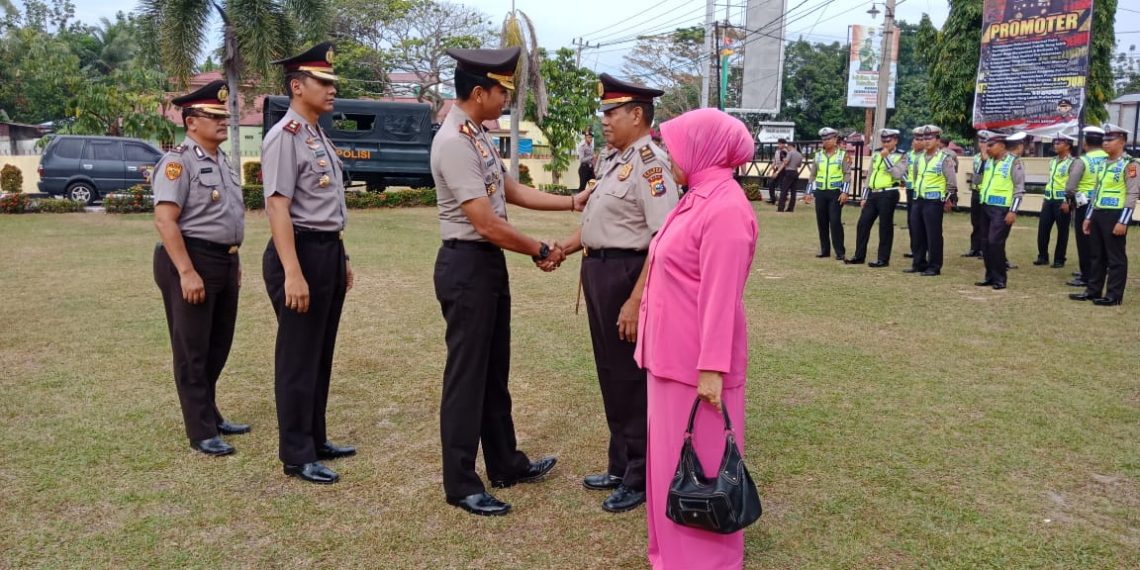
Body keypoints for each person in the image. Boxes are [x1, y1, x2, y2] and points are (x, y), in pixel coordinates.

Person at [432, 47, 582, 516]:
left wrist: (572, 202)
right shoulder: (455, 141)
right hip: (467, 264)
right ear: (479, 92)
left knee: (494, 373)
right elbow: (486, 222)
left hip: (486, 266)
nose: (505, 102)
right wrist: (541, 248)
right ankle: (460, 482)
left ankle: (505, 463)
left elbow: (509, 190)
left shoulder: (475, 135)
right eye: (502, 93)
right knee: (467, 377)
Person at [636, 108, 758, 570]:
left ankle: (706, 562)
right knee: (671, 462)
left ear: (701, 148)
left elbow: (720, 297)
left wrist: (712, 369)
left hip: (698, 368)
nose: (667, 155)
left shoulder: (725, 207)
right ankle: (670, 555)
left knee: (705, 466)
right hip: (670, 359)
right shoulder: (696, 197)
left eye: (674, 145)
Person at [553, 73, 679, 514]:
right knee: (611, 373)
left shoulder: (650, 164)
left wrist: (636, 298)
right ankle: (620, 462)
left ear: (637, 114)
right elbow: (597, 224)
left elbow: (663, 239)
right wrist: (563, 249)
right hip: (599, 270)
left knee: (630, 378)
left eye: (612, 112)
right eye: (604, 111)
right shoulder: (613, 159)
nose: (604, 120)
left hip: (628, 275)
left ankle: (641, 474)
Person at [261, 43, 355, 484]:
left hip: (326, 252)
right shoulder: (286, 136)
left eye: (333, 83)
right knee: (298, 357)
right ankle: (296, 453)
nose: (332, 89)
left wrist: (342, 256)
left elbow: (326, 204)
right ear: (298, 87)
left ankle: (315, 438)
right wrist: (293, 272)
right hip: (298, 253)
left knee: (319, 353)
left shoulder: (317, 134)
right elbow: (278, 207)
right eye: (324, 82)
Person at [152, 80, 249, 457]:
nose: (224, 122)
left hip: (223, 260)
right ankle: (200, 430)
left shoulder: (222, 161)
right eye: (215, 116)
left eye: (225, 115)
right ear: (191, 122)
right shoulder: (178, 162)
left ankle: (210, 411)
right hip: (190, 259)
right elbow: (165, 221)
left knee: (218, 343)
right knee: (192, 348)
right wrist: (187, 272)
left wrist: (232, 260)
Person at [1070, 124, 1138, 306]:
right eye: (1104, 140)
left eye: (1111, 140)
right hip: (1098, 212)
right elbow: (1096, 191)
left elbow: (1132, 194)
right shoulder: (1102, 164)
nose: (1106, 143)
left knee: (1115, 257)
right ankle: (1093, 290)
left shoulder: (1130, 164)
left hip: (1116, 214)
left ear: (1122, 141)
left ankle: (1113, 296)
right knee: (1096, 255)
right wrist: (1088, 217)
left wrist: (1123, 221)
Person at [845, 128, 906, 267]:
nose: (885, 143)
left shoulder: (901, 155)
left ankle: (883, 259)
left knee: (885, 226)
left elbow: (898, 174)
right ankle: (859, 255)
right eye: (883, 140)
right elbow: (870, 175)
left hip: (888, 193)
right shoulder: (877, 153)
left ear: (895, 140)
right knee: (863, 224)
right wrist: (864, 195)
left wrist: (887, 158)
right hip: (873, 193)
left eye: (888, 140)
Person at [974, 132, 1026, 290]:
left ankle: (1000, 278)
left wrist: (1013, 210)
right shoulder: (988, 161)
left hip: (1002, 209)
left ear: (1002, 146)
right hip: (985, 206)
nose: (987, 148)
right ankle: (989, 276)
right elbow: (977, 181)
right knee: (984, 243)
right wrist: (983, 161)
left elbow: (1019, 188)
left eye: (991, 145)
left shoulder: (1013, 162)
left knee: (995, 242)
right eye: (986, 145)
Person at [905, 124, 957, 276]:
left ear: (938, 140)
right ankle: (918, 263)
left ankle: (934, 266)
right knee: (917, 232)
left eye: (930, 138)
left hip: (934, 202)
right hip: (919, 199)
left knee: (933, 234)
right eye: (924, 138)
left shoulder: (944, 159)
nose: (926, 141)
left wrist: (947, 200)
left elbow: (951, 182)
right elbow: (914, 177)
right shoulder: (919, 158)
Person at [1064, 126, 1109, 288]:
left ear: (1085, 143)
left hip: (1084, 204)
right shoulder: (1109, 158)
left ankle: (1086, 276)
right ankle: (1098, 272)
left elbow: (1070, 187)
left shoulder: (1083, 160)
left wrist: (1070, 198)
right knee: (1099, 241)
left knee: (1084, 241)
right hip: (1103, 203)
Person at [805, 127, 849, 259]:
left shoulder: (843, 155)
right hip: (821, 193)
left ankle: (840, 252)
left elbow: (847, 174)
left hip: (835, 193)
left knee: (835, 222)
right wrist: (808, 192)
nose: (825, 141)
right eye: (823, 139)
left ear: (835, 140)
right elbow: (813, 175)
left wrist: (845, 192)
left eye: (828, 139)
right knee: (822, 222)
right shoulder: (818, 155)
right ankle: (825, 250)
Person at [1035, 135, 1075, 268]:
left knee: (1062, 231)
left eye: (1059, 143)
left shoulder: (1072, 162)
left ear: (1068, 145)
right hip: (1049, 199)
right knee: (1043, 229)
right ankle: (1042, 256)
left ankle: (1059, 259)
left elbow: (1072, 183)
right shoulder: (1052, 161)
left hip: (1062, 200)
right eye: (1054, 143)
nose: (1055, 145)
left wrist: (1067, 201)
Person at [963, 131, 991, 258]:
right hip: (976, 192)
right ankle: (975, 248)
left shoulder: (992, 159)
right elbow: (977, 177)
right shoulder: (975, 158)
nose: (982, 144)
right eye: (981, 141)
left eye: (985, 141)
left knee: (986, 224)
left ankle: (985, 250)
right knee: (975, 222)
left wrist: (985, 160)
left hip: (987, 194)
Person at [771, 138, 803, 212]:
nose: (787, 148)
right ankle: (791, 208)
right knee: (793, 192)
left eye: (788, 146)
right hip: (795, 172)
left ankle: (780, 208)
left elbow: (785, 163)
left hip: (789, 172)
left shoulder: (790, 153)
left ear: (790, 146)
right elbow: (799, 165)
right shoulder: (799, 154)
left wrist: (777, 172)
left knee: (784, 190)